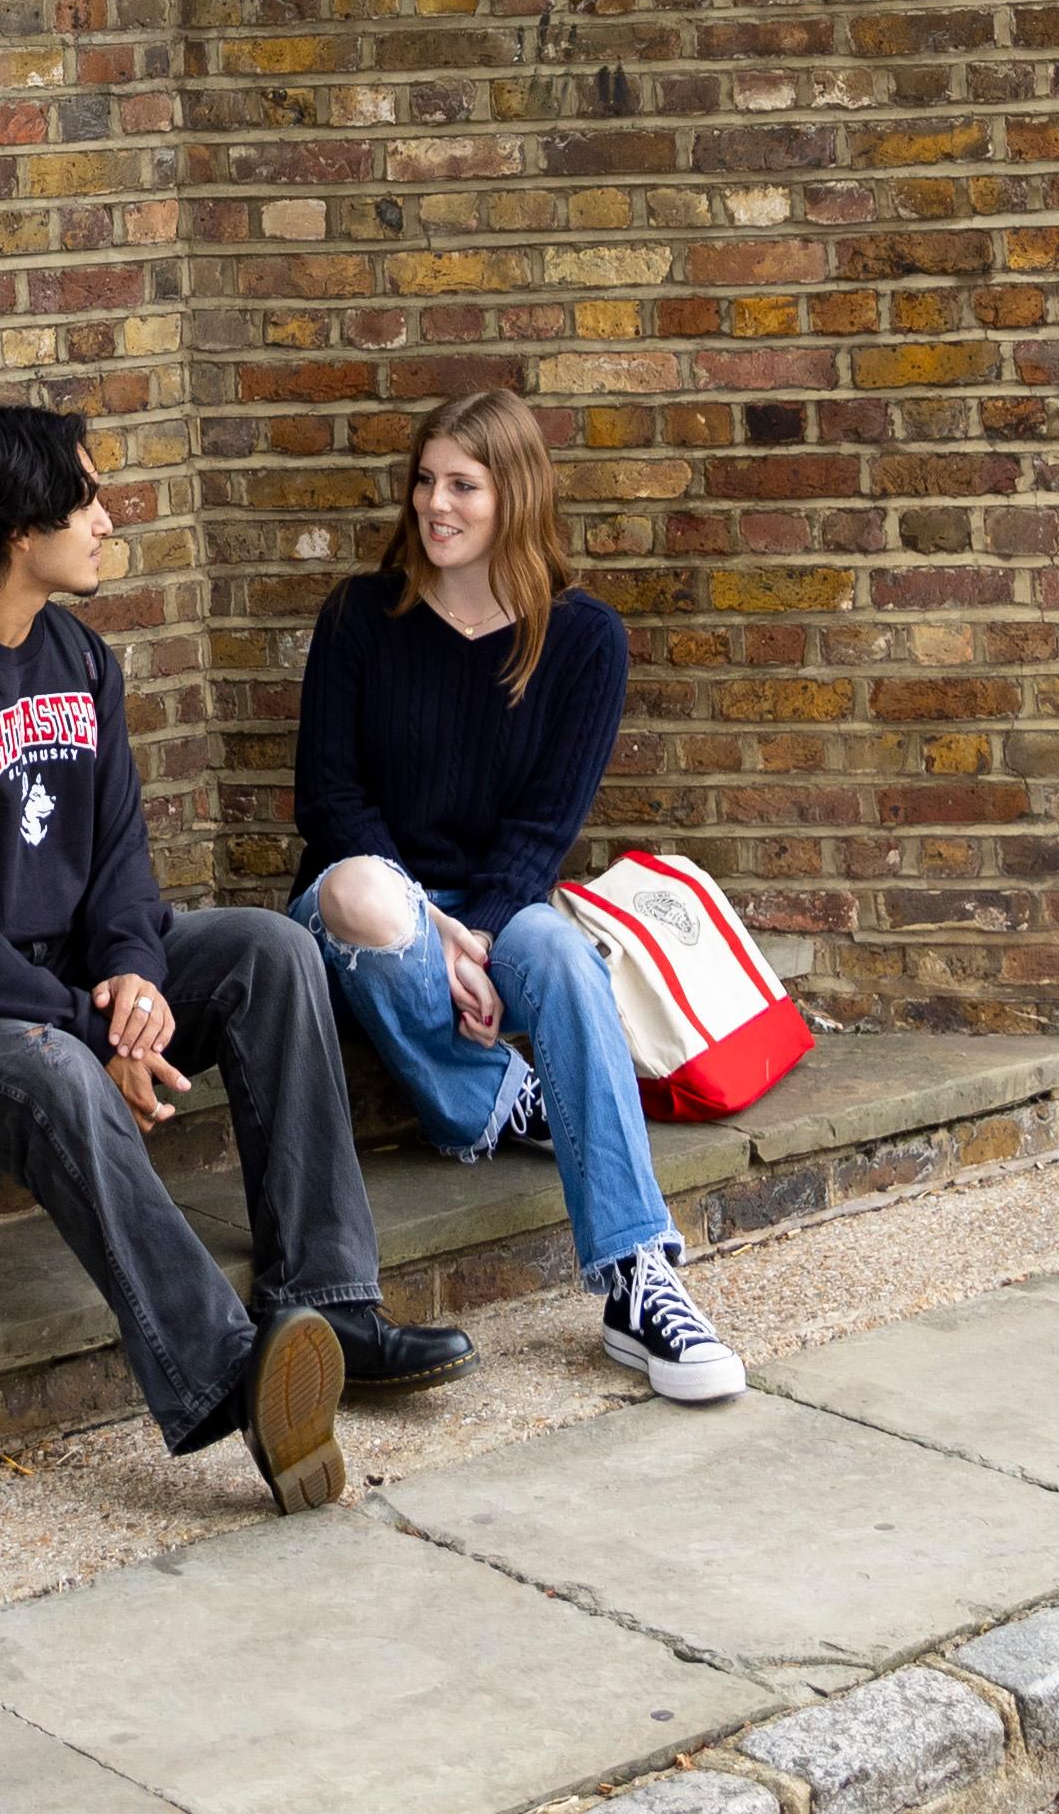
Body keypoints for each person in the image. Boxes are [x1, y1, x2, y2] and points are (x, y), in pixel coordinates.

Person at [0, 402, 473, 1508]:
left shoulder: (80, 656)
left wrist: (135, 978)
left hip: (63, 972)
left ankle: (334, 1309)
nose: (109, 519)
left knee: (267, 950)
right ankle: (230, 1370)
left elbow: (121, 859)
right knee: (58, 1069)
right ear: (21, 529)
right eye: (86, 499)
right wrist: (87, 1019)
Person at [292, 385, 745, 1404]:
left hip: (501, 897)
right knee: (367, 897)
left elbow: (544, 827)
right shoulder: (362, 616)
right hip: (368, 897)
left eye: (463, 485)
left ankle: (639, 1278)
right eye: (424, 481)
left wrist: (482, 930)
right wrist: (432, 922)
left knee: (560, 959)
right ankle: (499, 1094)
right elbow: (327, 797)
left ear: (516, 496)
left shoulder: (584, 640)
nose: (434, 505)